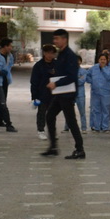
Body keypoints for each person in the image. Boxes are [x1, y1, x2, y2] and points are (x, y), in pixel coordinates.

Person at [42, 29, 85, 159]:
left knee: (71, 121)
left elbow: (72, 76)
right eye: (54, 39)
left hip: (67, 93)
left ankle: (80, 150)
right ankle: (53, 147)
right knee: (50, 116)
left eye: (57, 39)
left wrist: (56, 83)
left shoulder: (70, 55)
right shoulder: (61, 54)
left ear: (64, 39)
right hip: (60, 93)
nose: (54, 41)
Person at [31, 44, 57, 140]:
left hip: (54, 93)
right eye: (48, 53)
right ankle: (41, 130)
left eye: (52, 53)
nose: (50, 55)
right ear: (44, 53)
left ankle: (52, 131)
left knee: (53, 113)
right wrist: (34, 96)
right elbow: (34, 81)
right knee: (42, 113)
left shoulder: (57, 64)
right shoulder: (38, 66)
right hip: (42, 93)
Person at [88, 53, 110, 132]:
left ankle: (105, 127)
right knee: (96, 110)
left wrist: (103, 68)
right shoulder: (93, 68)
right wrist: (92, 81)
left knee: (105, 110)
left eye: (104, 59)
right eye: (101, 59)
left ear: (107, 61)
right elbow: (87, 75)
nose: (102, 61)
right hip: (95, 92)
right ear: (98, 60)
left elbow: (109, 77)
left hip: (105, 92)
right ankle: (97, 127)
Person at [0, 38, 15, 125]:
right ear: (5, 46)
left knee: (3, 101)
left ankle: (0, 120)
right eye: (10, 46)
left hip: (5, 80)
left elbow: (9, 67)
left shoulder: (10, 56)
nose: (11, 48)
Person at [73, 55, 90, 134]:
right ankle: (67, 127)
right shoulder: (69, 70)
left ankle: (84, 127)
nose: (76, 62)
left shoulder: (83, 71)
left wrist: (73, 80)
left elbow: (81, 81)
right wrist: (77, 79)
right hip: (71, 93)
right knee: (69, 111)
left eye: (78, 60)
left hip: (80, 94)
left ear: (80, 61)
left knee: (82, 112)